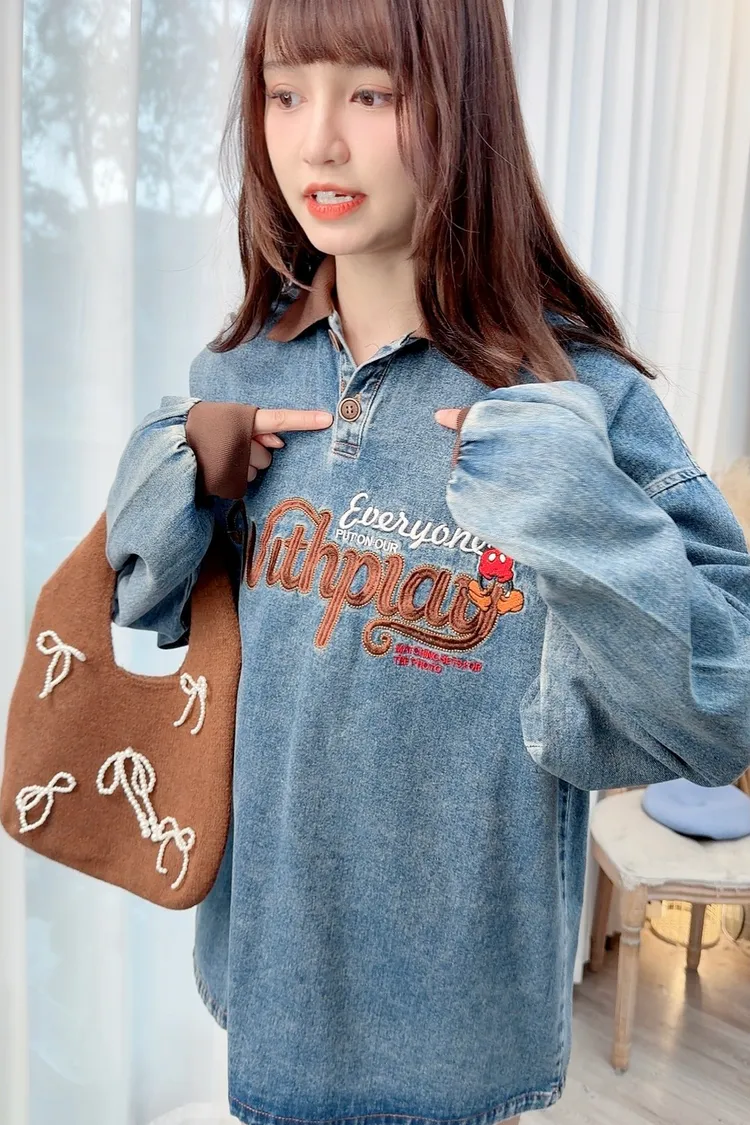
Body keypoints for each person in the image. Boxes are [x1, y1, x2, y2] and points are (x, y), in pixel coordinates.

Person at [104, 0, 750, 1122]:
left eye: (372, 93)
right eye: (285, 93)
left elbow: (720, 707)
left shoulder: (582, 396)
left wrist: (579, 506)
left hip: (460, 1032)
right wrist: (175, 470)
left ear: (464, 106)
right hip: (267, 972)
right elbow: (145, 609)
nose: (317, 142)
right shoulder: (244, 369)